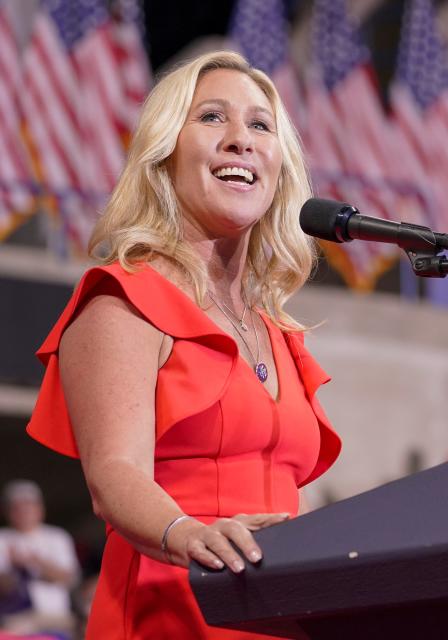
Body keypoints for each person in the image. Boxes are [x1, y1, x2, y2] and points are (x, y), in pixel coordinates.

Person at [25, 51, 341, 638]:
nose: (240, 141)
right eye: (213, 118)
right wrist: (188, 535)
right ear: (164, 153)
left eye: (260, 125)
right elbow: (114, 474)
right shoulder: (123, 301)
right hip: (172, 607)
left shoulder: (278, 330)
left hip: (281, 611)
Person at [0, 480, 79, 636]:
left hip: (55, 616)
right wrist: (15, 567)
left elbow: (69, 578)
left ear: (40, 509)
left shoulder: (57, 536)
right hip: (16, 618)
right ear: (7, 511)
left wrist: (35, 563)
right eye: (17, 508)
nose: (24, 512)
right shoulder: (3, 538)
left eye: (28, 506)